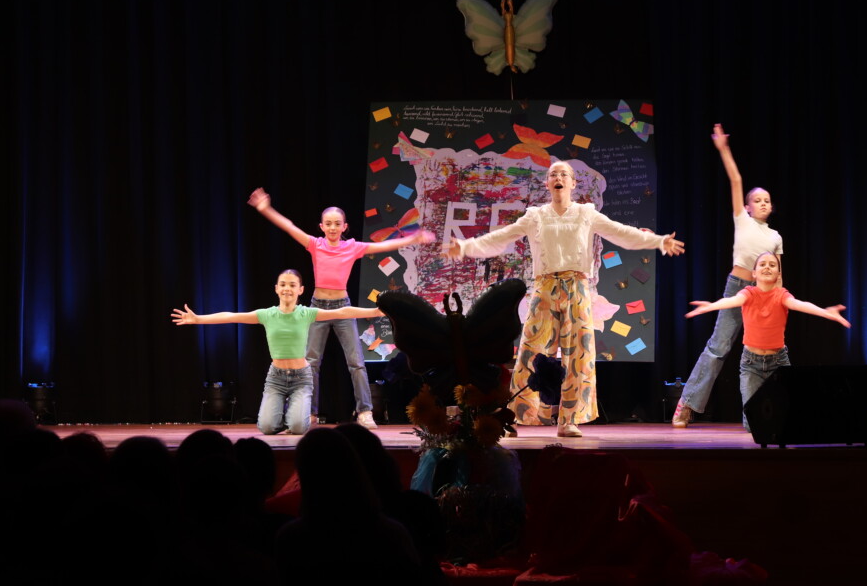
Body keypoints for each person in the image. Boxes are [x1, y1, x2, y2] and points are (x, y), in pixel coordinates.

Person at [445, 160, 685, 438]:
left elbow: (620, 232)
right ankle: (518, 414)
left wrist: (658, 241)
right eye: (553, 174)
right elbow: (503, 236)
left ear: (573, 183)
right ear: (547, 183)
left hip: (577, 287)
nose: (558, 177)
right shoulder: (535, 216)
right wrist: (466, 246)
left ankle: (569, 419)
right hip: (545, 286)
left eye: (564, 174)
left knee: (578, 355)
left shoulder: (586, 213)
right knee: (531, 352)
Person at [247, 188, 435, 429]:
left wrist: (412, 239)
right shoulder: (315, 244)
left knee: (356, 362)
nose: (333, 228)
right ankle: (310, 413)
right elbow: (290, 227)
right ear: (321, 226)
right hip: (317, 308)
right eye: (328, 224)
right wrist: (265, 209)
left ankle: (364, 411)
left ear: (345, 226)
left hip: (342, 307)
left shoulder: (352, 247)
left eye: (337, 224)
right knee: (311, 363)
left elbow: (384, 246)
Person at [171, 269, 385, 435]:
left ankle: (295, 414)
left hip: (301, 378)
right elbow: (231, 316)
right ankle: (286, 414)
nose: (287, 289)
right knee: (265, 427)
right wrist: (198, 319)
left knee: (298, 428)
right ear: (276, 288)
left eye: (292, 285)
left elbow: (343, 311)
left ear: (301, 290)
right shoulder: (267, 315)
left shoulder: (306, 313)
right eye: (283, 284)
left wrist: (375, 311)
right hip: (276, 378)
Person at [673, 124, 783, 428]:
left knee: (764, 352)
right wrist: (723, 148)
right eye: (757, 200)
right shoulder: (742, 221)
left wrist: (779, 303)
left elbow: (778, 275)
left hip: (764, 295)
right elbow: (735, 180)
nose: (763, 203)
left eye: (767, 200)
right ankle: (687, 404)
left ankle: (761, 415)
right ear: (747, 208)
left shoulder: (775, 237)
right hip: (737, 288)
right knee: (718, 347)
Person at [685, 252, 849, 429]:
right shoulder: (748, 293)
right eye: (762, 264)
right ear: (754, 273)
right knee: (752, 425)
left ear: (779, 274)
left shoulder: (782, 295)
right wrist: (711, 306)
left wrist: (825, 312)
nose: (767, 267)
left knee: (787, 419)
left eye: (772, 265)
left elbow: (799, 304)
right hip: (751, 365)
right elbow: (733, 300)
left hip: (778, 362)